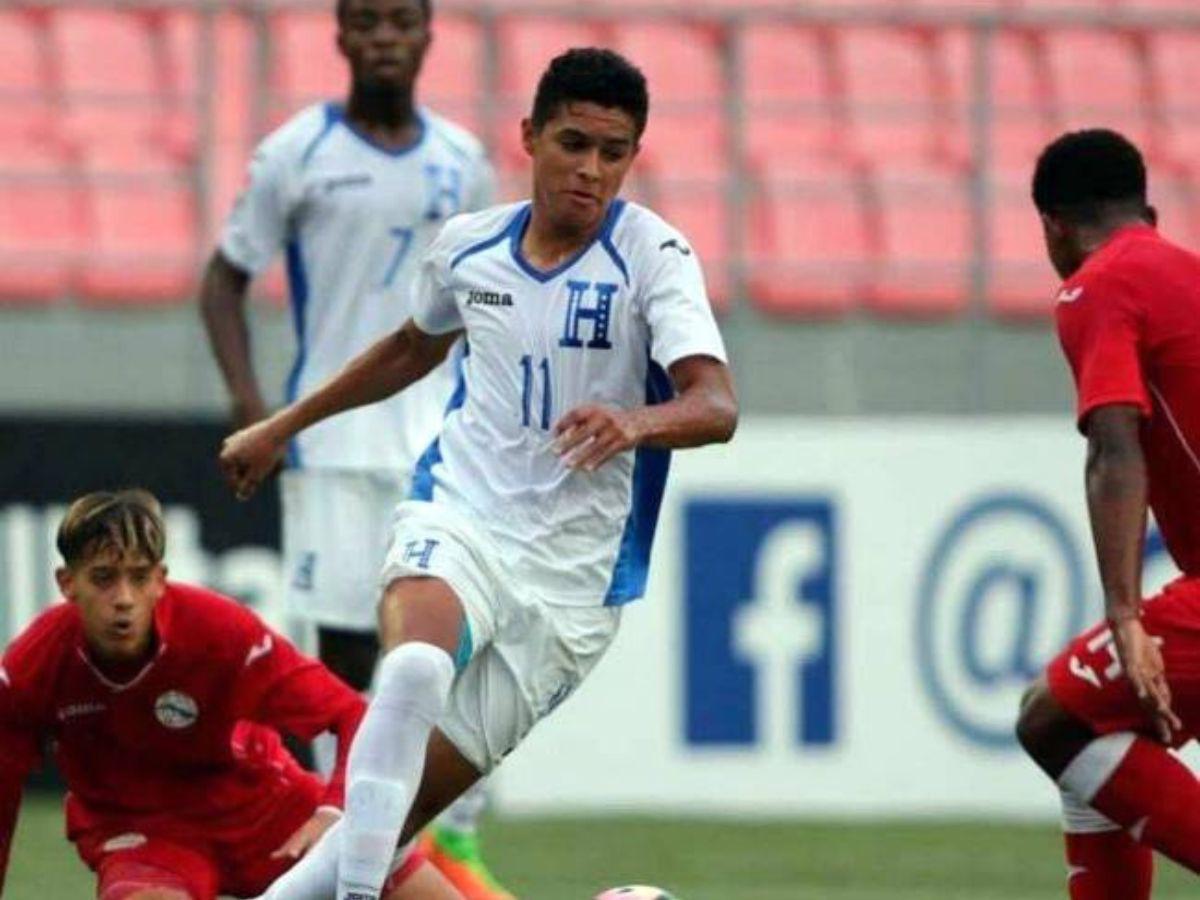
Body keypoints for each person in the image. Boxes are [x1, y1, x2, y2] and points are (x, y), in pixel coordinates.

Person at [220, 46, 738, 900]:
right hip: (461, 516)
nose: (592, 170)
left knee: (380, 828)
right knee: (415, 667)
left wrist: (636, 420)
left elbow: (715, 405)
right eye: (574, 143)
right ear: (529, 136)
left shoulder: (655, 257)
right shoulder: (470, 248)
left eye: (614, 154)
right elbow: (411, 348)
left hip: (572, 589)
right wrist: (284, 425)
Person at [198, 0, 509, 893]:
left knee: (448, 651)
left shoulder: (463, 162)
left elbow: (492, 300)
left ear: (426, 35)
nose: (383, 38)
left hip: (442, 450)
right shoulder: (296, 152)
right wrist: (257, 408)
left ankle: (452, 841)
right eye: (366, 22)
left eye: (400, 22)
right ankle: (349, 858)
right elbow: (223, 278)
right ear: (339, 36)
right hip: (330, 448)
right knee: (342, 668)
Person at [0, 489, 460, 900]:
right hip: (142, 835)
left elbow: (349, 714)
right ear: (67, 584)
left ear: (160, 580)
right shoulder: (32, 666)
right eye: (103, 578)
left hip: (263, 811)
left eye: (138, 578)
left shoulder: (221, 632)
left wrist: (334, 810)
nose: (123, 598)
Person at [1015, 129, 1200, 899]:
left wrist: (1123, 611)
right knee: (1098, 754)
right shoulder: (1184, 274)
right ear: (1145, 210)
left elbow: (1114, 446)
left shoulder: (1099, 285)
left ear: (1054, 227)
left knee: (1053, 720)